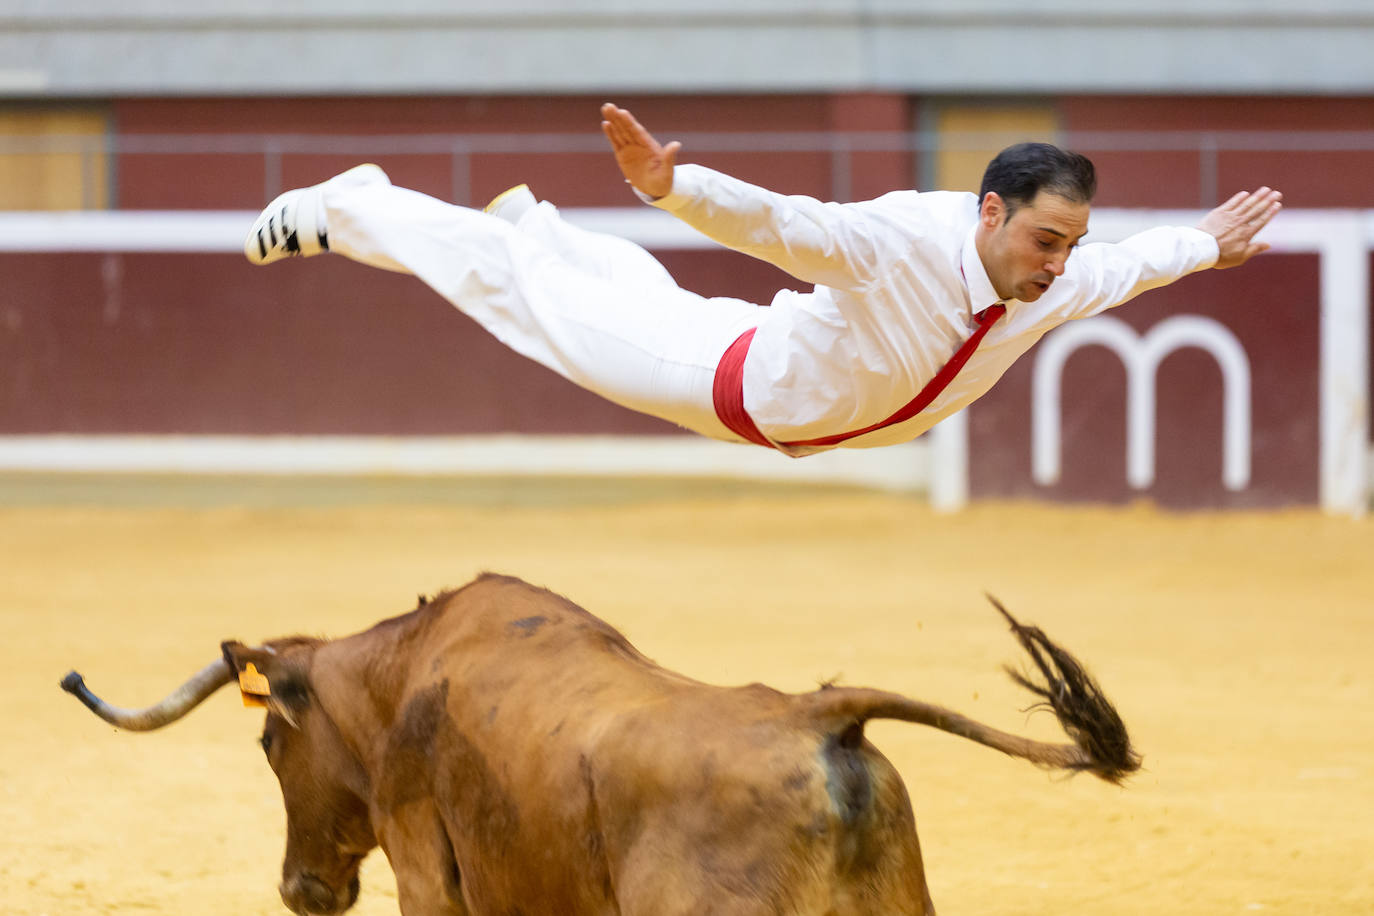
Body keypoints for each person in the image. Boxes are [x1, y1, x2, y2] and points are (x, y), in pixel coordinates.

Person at [244, 102, 1281, 456]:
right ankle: (353, 205)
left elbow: (1133, 264)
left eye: (1071, 244)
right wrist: (673, 184)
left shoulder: (1054, 276)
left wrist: (1209, 242)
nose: (1062, 266)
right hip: (723, 382)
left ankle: (538, 227)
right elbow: (788, 223)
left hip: (765, 365)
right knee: (529, 306)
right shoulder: (898, 245)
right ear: (991, 213)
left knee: (620, 291)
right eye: (1049, 240)